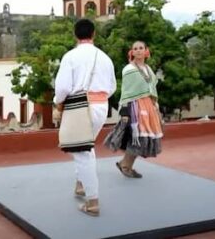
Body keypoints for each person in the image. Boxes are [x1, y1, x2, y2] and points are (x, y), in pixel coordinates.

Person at [53, 19, 116, 216]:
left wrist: (58, 103)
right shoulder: (105, 57)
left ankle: (93, 201)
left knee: (82, 152)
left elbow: (62, 88)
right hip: (101, 107)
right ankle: (81, 185)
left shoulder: (70, 56)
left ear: (75, 35)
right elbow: (112, 87)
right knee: (86, 147)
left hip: (79, 107)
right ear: (94, 34)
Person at [105, 41, 164, 178]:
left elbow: (152, 89)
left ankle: (126, 165)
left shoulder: (148, 69)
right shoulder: (129, 69)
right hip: (135, 105)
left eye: (141, 48)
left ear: (146, 51)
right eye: (135, 49)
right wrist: (125, 111)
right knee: (137, 137)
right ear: (132, 52)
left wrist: (156, 107)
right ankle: (125, 165)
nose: (138, 51)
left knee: (142, 139)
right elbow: (126, 91)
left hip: (148, 105)